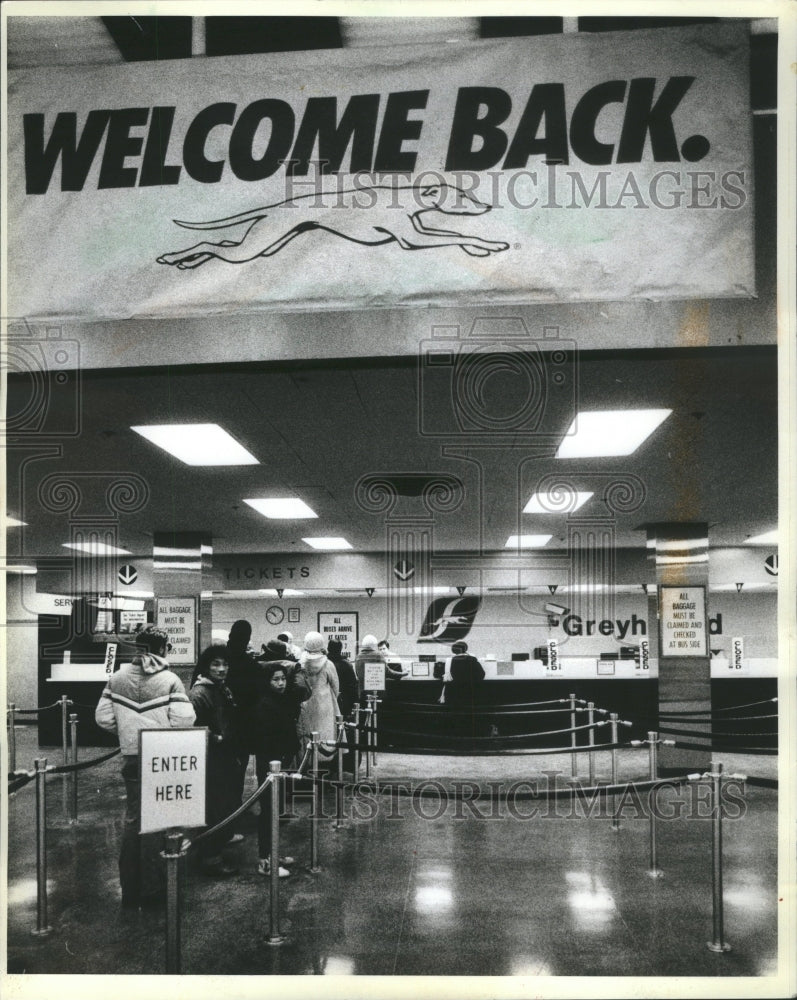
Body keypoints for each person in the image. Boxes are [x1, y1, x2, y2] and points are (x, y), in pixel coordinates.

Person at [95, 626, 195, 908]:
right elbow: (184, 719)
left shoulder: (117, 678)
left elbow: (102, 718)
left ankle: (131, 889)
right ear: (163, 649)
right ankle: (155, 890)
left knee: (133, 821)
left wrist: (128, 731)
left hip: (132, 758)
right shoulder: (170, 680)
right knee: (161, 821)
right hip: (162, 757)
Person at [189, 646, 243, 877]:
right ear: (206, 666)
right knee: (215, 806)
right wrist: (216, 737)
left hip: (224, 755)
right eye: (216, 664)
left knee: (224, 803)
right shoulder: (200, 693)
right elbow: (192, 726)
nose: (222, 669)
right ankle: (211, 858)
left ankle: (219, 842)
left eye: (225, 665)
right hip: (212, 759)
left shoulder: (221, 689)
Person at [253, 660, 310, 877]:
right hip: (271, 765)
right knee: (269, 810)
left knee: (275, 809)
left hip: (279, 764)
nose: (281, 683)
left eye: (283, 679)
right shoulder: (265, 705)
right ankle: (265, 859)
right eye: (275, 679)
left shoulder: (277, 701)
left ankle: (272, 852)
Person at [223, 620, 260, 836]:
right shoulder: (249, 664)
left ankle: (224, 815)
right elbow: (256, 695)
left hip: (219, 726)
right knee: (237, 773)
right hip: (242, 727)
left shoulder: (217, 658)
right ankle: (233, 813)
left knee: (220, 774)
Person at [296, 631, 340, 760]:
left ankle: (307, 760)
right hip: (325, 705)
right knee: (325, 734)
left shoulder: (301, 663)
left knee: (308, 734)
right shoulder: (328, 663)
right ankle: (324, 759)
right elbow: (335, 686)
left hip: (306, 704)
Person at [327, 639, 358, 772]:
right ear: (341, 648)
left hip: (327, 704)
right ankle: (341, 765)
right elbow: (352, 687)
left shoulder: (326, 664)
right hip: (343, 705)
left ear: (328, 648)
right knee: (342, 734)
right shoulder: (346, 665)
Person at [444, 641, 486, 728]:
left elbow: (444, 677)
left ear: (454, 650)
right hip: (470, 693)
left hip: (454, 694)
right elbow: (481, 674)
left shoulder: (449, 661)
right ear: (465, 649)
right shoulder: (472, 659)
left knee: (456, 716)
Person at [354, 634, 384, 698]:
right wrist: (402, 673)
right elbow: (386, 672)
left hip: (361, 693)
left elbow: (357, 673)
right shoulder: (378, 655)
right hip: (375, 693)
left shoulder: (358, 657)